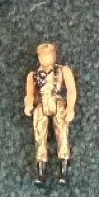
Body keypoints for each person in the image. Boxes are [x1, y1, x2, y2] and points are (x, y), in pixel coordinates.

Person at [24, 43, 77, 186]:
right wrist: (28, 104)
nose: (44, 56)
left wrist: (70, 108)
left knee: (62, 134)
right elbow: (29, 93)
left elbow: (71, 90)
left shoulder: (63, 70)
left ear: (54, 55)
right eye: (41, 54)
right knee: (39, 136)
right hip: (41, 104)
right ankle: (40, 173)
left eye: (47, 53)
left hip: (57, 103)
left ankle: (63, 172)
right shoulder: (33, 75)